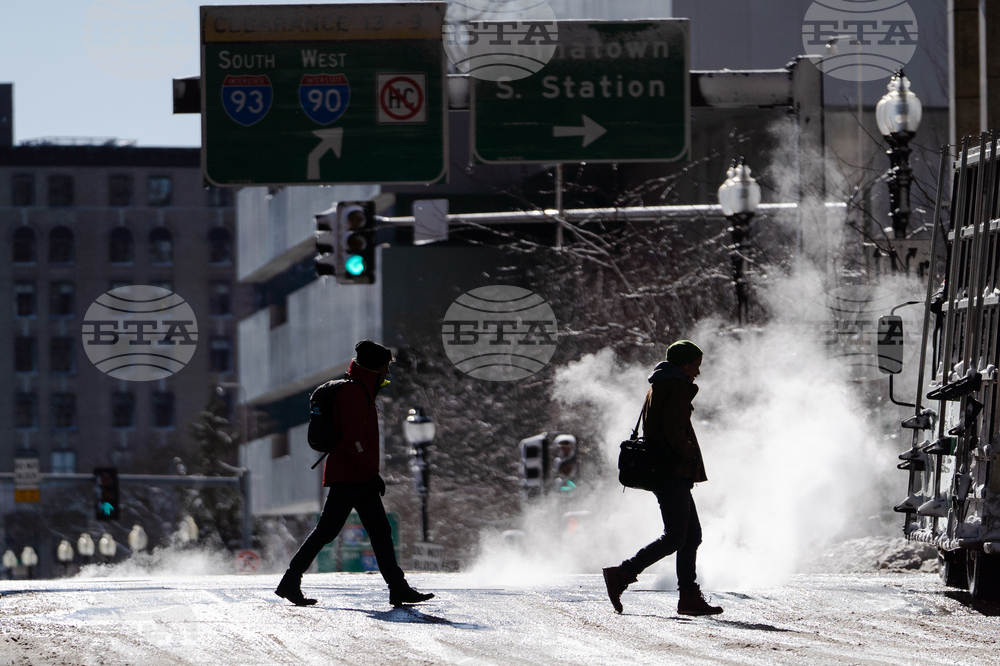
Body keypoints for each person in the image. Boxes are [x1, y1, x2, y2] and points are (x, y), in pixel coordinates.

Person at [275, 340, 434, 607]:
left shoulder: (362, 390)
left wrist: (369, 473)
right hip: (350, 476)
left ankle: (398, 587)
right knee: (327, 531)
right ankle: (290, 580)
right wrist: (369, 473)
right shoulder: (354, 394)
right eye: (385, 367)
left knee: (380, 531)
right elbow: (354, 440)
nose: (387, 372)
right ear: (374, 366)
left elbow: (358, 440)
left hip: (357, 475)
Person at [602, 340, 722, 616]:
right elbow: (672, 429)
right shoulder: (676, 386)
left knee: (691, 536)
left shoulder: (659, 384)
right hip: (671, 471)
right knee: (677, 536)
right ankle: (622, 574)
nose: (698, 372)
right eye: (695, 365)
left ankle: (688, 597)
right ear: (683, 364)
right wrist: (687, 451)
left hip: (666, 471)